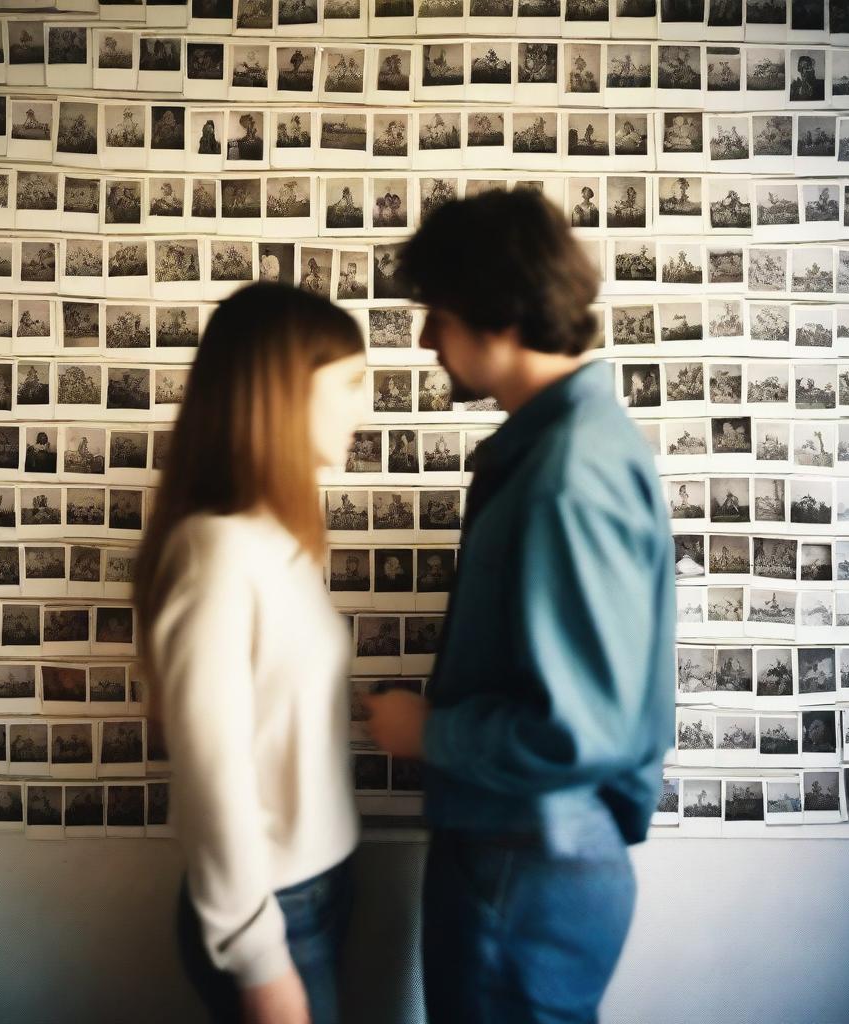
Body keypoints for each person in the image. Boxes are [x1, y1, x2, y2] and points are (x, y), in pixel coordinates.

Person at [364, 188, 676, 1024]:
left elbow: (581, 729)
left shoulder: (569, 473)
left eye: (437, 313)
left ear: (494, 312)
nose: (426, 338)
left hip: (524, 865)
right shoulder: (569, 451)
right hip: (528, 856)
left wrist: (424, 731)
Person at [134, 282, 369, 1024]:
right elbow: (213, 773)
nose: (366, 408)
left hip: (321, 885)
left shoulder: (283, 542)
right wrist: (260, 958)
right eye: (354, 384)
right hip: (273, 912)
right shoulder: (218, 550)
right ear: (285, 393)